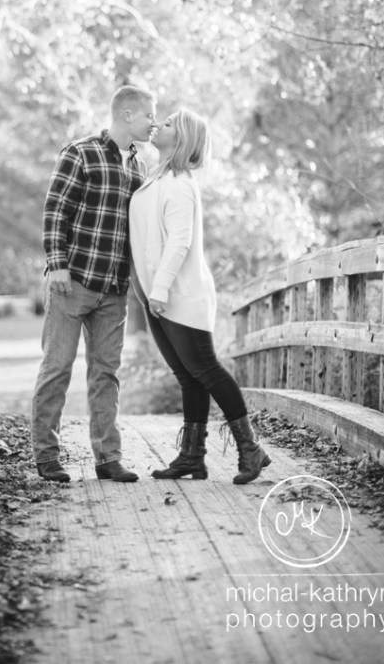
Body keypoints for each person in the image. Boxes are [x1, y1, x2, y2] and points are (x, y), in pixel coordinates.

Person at [129, 109, 270, 484]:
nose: (160, 124)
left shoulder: (178, 183)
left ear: (182, 138)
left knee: (206, 369)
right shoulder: (154, 176)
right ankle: (192, 457)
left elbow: (180, 241)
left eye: (170, 123)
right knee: (188, 377)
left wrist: (159, 288)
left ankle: (251, 449)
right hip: (156, 296)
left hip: (181, 294)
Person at [31, 84, 157, 483]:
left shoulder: (139, 166)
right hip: (74, 282)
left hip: (113, 290)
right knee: (57, 368)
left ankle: (108, 457)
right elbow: (55, 209)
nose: (154, 123)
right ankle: (47, 456)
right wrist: (57, 264)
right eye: (149, 115)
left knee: (106, 374)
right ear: (127, 115)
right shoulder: (80, 152)